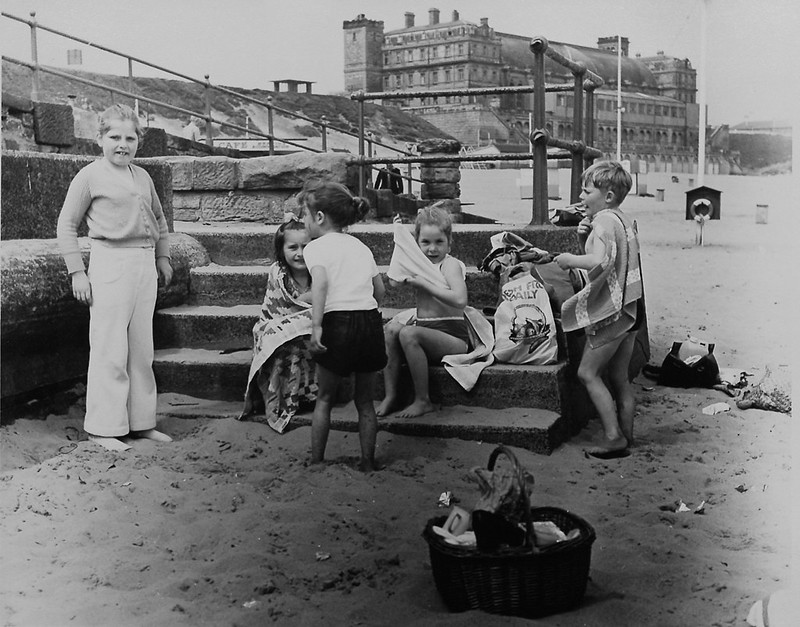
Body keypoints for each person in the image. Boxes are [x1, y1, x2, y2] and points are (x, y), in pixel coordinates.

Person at [56, 103, 173, 452]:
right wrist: (77, 272)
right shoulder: (89, 176)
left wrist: (162, 257)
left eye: (130, 137)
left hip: (143, 266)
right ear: (100, 138)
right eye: (114, 137)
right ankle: (104, 427)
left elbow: (160, 221)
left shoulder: (143, 176)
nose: (122, 144)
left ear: (139, 140)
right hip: (109, 263)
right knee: (110, 347)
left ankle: (141, 422)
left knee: (141, 350)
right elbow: (66, 225)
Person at [554, 160, 644, 459]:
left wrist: (569, 257)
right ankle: (628, 436)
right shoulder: (621, 218)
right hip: (631, 308)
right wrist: (583, 239)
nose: (581, 196)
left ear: (607, 196)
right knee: (619, 378)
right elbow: (614, 258)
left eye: (586, 190)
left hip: (613, 312)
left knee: (588, 373)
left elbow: (598, 262)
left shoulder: (603, 220)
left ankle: (613, 436)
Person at [299, 180, 387, 471]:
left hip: (338, 322)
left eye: (305, 215)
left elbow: (321, 284)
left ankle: (316, 460)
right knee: (365, 402)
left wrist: (317, 326)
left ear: (320, 217)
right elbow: (380, 291)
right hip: (369, 321)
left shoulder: (316, 248)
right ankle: (367, 460)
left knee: (325, 397)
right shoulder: (360, 246)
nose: (303, 221)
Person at [376, 205, 470, 419]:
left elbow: (460, 300)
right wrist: (402, 250)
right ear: (416, 244)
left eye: (439, 242)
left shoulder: (450, 265)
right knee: (391, 329)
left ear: (449, 243)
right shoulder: (419, 264)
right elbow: (393, 281)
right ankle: (391, 395)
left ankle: (423, 400)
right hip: (426, 334)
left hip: (453, 338)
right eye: (425, 243)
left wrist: (424, 284)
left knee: (409, 333)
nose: (432, 249)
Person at [240, 215, 317, 433]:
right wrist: (310, 299)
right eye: (293, 247)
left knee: (310, 338)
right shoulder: (278, 273)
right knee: (282, 342)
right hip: (279, 323)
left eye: (306, 247)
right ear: (281, 250)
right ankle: (285, 398)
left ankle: (308, 394)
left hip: (310, 326)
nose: (300, 253)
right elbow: (283, 305)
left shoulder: (318, 271)